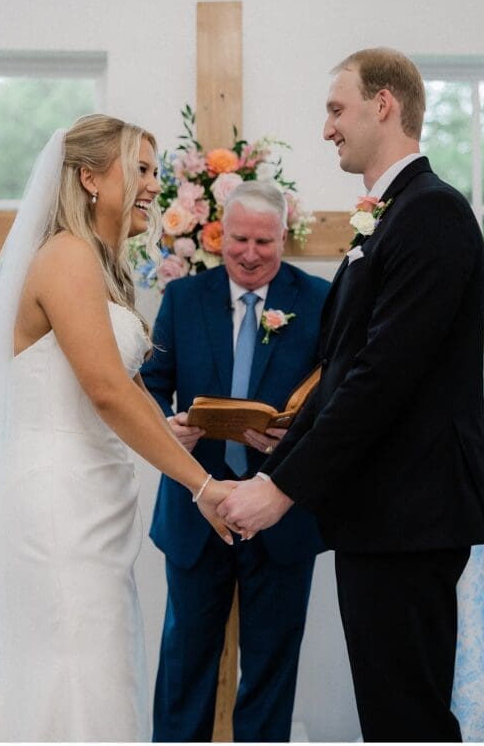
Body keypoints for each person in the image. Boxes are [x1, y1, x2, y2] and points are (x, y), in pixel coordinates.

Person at [0, 115, 235, 743]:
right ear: (89, 176)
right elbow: (107, 390)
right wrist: (203, 486)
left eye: (157, 171)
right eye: (140, 169)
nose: (153, 185)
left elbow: (122, 385)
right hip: (56, 499)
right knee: (73, 670)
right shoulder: (65, 256)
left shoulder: (100, 267)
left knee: (98, 663)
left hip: (93, 495)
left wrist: (167, 433)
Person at [219, 48, 484, 743]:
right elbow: (345, 363)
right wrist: (293, 434)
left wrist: (280, 487)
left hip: (411, 513)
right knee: (390, 714)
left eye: (336, 110)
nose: (326, 129)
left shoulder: (430, 214)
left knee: (407, 719)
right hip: (380, 511)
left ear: (384, 105)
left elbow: (383, 376)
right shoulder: (392, 214)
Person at [141, 181, 329, 742]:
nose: (250, 253)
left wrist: (293, 439)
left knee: (271, 670)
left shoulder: (320, 299)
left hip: (283, 514)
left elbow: (337, 400)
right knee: (184, 664)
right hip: (196, 510)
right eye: (240, 239)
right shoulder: (183, 299)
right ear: (221, 234)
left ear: (284, 238)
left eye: (264, 242)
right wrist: (167, 427)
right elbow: (149, 386)